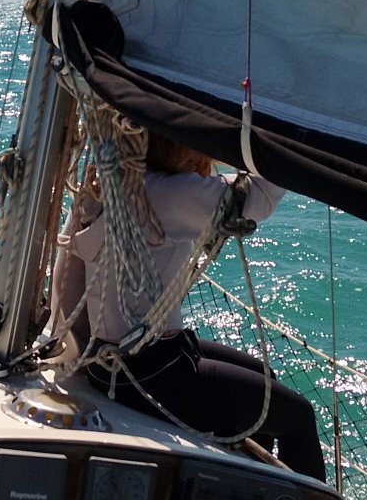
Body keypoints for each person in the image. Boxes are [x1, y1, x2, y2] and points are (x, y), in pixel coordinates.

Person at [53, 131, 326, 481]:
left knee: (265, 382)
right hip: (152, 372)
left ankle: (244, 480)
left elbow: (66, 275)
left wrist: (76, 349)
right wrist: (290, 131)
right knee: (296, 417)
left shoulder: (108, 184)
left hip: (117, 362)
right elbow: (257, 198)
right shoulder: (169, 195)